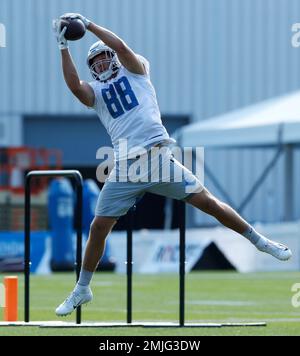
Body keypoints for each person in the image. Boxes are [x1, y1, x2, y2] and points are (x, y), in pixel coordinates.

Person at [53, 13, 292, 317]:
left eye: (103, 58)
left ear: (112, 58)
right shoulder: (97, 93)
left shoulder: (135, 70)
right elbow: (75, 87)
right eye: (95, 62)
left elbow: (124, 49)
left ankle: (260, 241)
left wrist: (89, 26)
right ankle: (82, 289)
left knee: (208, 203)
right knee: (99, 227)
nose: (100, 65)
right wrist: (62, 46)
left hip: (158, 157)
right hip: (127, 165)